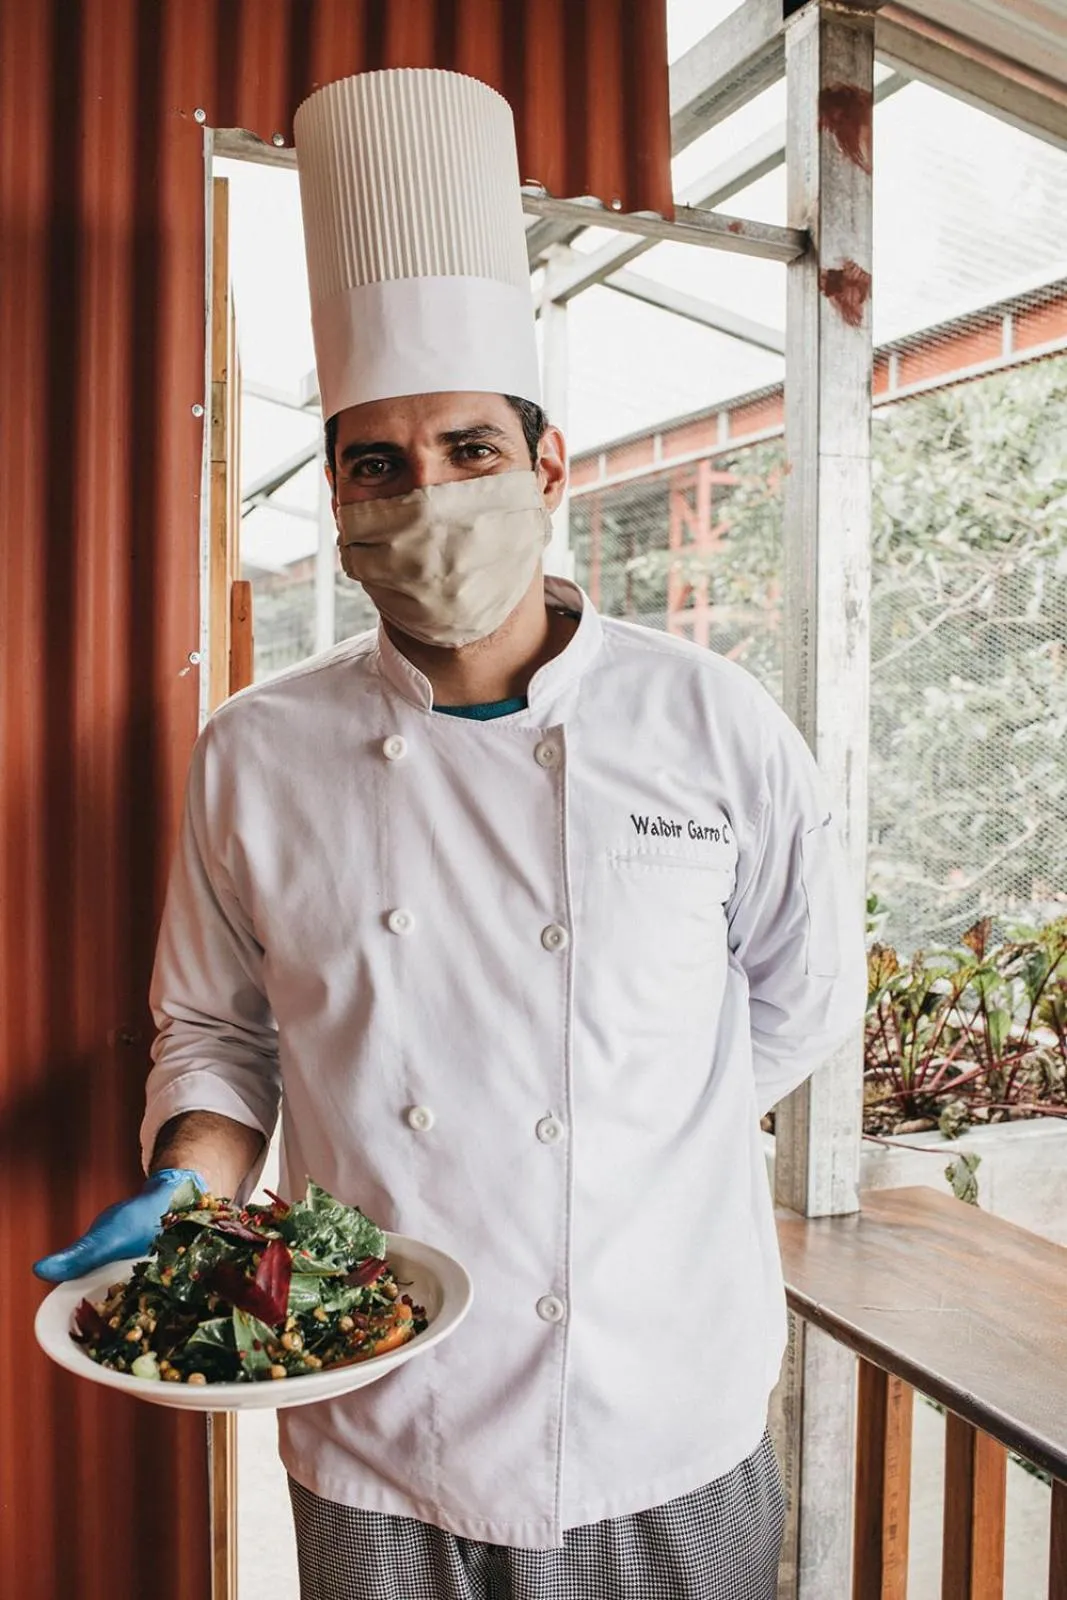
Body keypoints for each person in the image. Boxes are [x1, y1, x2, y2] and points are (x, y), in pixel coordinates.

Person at [35, 68, 866, 1600]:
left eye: (469, 451)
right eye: (379, 464)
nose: (425, 498)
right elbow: (216, 1033)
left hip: (655, 1399)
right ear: (339, 502)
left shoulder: (712, 723)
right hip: (377, 1409)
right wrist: (195, 1182)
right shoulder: (255, 753)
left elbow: (801, 997)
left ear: (546, 469)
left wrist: (624, 1144)